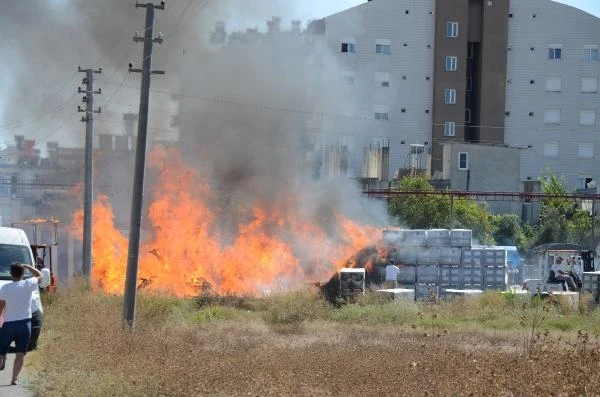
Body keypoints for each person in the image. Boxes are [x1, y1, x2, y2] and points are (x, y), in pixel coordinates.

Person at [0, 262, 43, 386]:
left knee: (1, 352)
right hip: (25, 325)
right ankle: (14, 379)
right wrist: (28, 267)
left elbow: (1, 308)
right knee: (20, 354)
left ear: (11, 273)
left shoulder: (5, 288)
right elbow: (40, 276)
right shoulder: (28, 284)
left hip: (8, 325)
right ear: (23, 274)